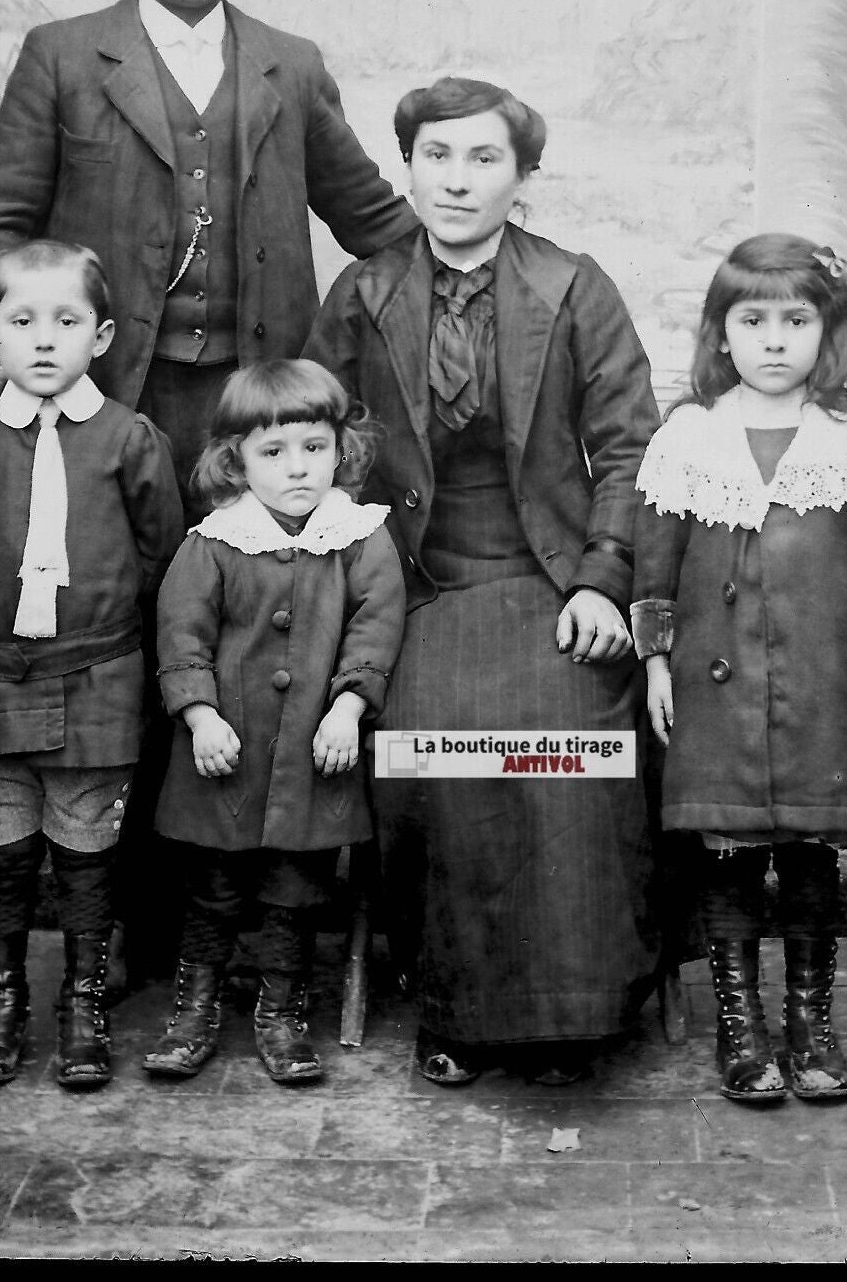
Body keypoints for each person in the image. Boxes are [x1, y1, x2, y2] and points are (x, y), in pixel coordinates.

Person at [0, 0, 417, 979]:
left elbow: (376, 221)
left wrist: (480, 288)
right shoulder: (63, 58)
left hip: (261, 415)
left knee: (255, 643)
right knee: (125, 650)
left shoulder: (289, 67)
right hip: (121, 405)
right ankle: (123, 937)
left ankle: (251, 932)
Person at [304, 75, 663, 1086]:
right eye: (435, 157)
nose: (455, 181)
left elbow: (630, 450)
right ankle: (459, 1008)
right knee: (446, 751)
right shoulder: (363, 293)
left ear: (523, 177)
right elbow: (319, 450)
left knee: (573, 750)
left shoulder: (574, 287)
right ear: (407, 168)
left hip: (549, 583)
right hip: (414, 589)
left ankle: (582, 1007)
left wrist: (601, 580)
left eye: (483, 159)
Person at [630, 233, 847, 1104]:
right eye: (751, 320)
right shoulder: (689, 435)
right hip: (715, 691)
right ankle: (742, 1027)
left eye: (795, 320)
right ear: (721, 333)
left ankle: (811, 1025)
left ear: (826, 330)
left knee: (808, 858)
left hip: (822, 689)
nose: (773, 340)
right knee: (726, 860)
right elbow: (655, 564)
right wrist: (656, 664)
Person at [0, 240, 185, 1090]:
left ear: (101, 336)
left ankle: (84, 1006)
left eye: (66, 322)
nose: (43, 341)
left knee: (83, 851)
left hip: (96, 674)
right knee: (1, 850)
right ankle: (0, 1004)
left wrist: (98, 625)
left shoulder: (129, 440)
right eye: (22, 322)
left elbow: (160, 554)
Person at [141, 360, 405, 1085]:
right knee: (214, 885)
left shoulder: (360, 537)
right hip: (224, 755)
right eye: (274, 452)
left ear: (339, 450)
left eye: (314, 449)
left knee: (295, 888)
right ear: (236, 461)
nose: (298, 470)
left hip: (313, 760)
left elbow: (375, 630)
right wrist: (200, 717)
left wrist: (348, 707)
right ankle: (194, 1008)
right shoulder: (216, 542)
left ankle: (281, 1010)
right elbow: (181, 635)